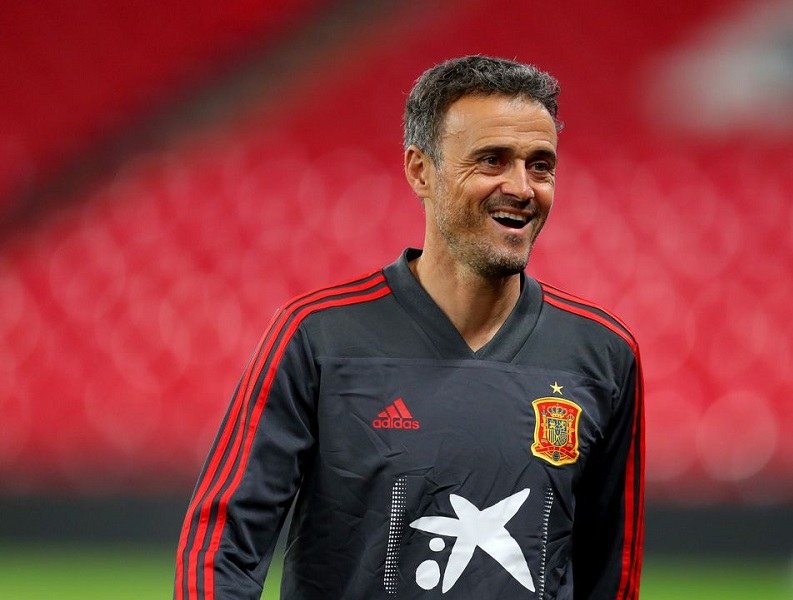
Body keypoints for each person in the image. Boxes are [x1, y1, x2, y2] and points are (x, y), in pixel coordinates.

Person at [174, 55, 644, 599]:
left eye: (540, 166)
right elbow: (221, 547)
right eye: (491, 160)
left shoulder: (603, 355)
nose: (522, 187)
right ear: (421, 170)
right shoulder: (317, 339)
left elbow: (612, 575)